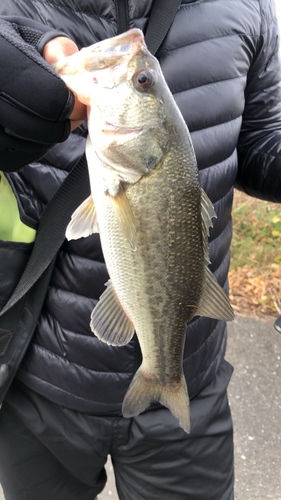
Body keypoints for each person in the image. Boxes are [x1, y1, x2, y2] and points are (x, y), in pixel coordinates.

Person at [0, 1, 280, 499]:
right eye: (143, 83)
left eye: (142, 82)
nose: (133, 56)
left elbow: (263, 143)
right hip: (41, 379)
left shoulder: (249, 10)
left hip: (190, 373)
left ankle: (160, 375)